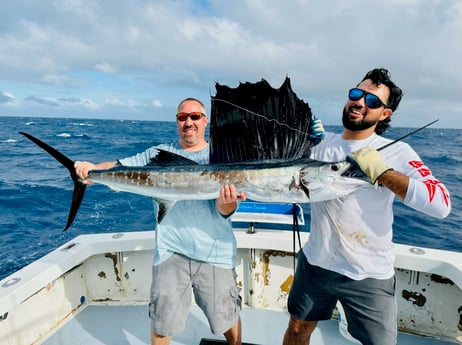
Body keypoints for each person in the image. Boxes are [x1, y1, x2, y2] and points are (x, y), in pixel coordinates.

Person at [282, 68, 451, 345]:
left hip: (368, 274)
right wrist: (304, 140)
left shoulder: (397, 152)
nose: (360, 102)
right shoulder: (320, 146)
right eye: (356, 94)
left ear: (385, 114)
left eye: (372, 101)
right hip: (315, 263)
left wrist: (381, 171)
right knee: (298, 329)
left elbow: (441, 204)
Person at [75, 98, 247, 345]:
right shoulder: (157, 154)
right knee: (162, 324)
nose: (189, 122)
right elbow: (119, 166)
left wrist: (227, 203)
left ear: (205, 120)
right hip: (171, 252)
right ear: (177, 122)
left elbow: (225, 210)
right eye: (182, 117)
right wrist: (91, 170)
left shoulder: (222, 156)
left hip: (215, 251)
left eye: (195, 116)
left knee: (227, 319)